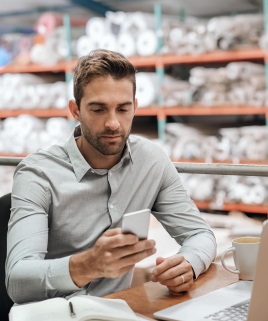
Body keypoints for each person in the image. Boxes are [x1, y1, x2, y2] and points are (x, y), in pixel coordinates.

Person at [5, 49, 217, 306]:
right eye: (98, 109)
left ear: (135, 107)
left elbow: (199, 234)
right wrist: (88, 265)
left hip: (116, 318)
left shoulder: (151, 161)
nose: (113, 123)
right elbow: (18, 281)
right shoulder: (38, 174)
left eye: (123, 109)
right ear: (76, 110)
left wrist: (188, 264)